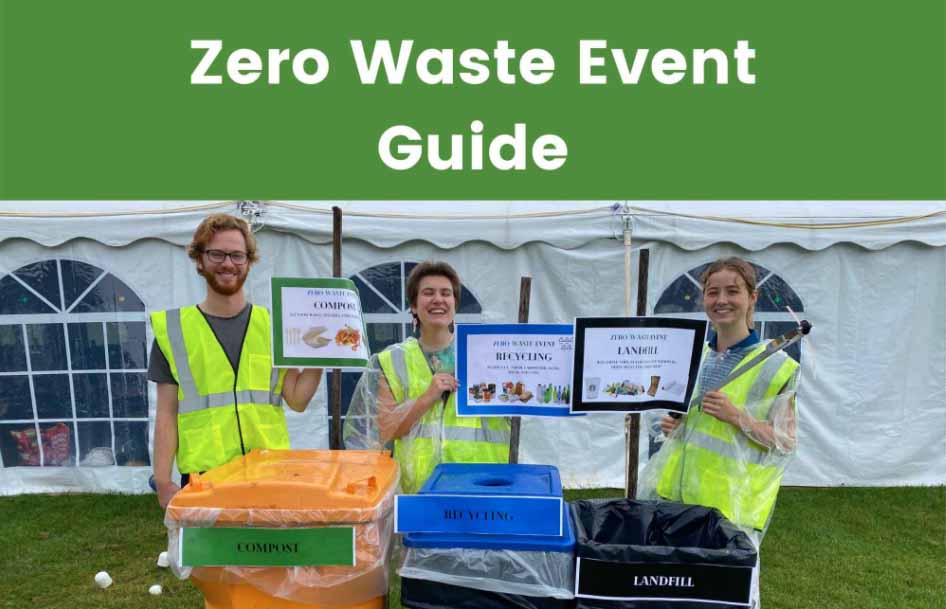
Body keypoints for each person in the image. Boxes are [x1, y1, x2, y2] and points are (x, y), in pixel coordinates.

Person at [640, 256, 801, 608]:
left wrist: (738, 417)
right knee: (677, 598)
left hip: (732, 511)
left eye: (733, 291)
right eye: (713, 292)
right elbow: (695, 428)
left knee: (728, 599)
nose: (721, 300)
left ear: (752, 298)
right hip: (676, 502)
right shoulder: (693, 357)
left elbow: (786, 443)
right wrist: (676, 428)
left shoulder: (776, 366)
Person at [148, 213, 322, 508]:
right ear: (199, 260)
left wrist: (322, 355)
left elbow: (297, 399)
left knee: (268, 554)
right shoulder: (174, 330)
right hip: (205, 477)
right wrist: (163, 480)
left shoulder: (274, 326)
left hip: (269, 473)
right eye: (216, 254)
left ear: (248, 262)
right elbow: (166, 413)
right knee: (214, 556)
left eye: (237, 255)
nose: (228, 264)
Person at [343, 261, 509, 493]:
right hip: (420, 489)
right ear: (413, 305)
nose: (438, 300)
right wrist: (427, 397)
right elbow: (385, 430)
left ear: (455, 304)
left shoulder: (486, 354)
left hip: (483, 484)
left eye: (446, 293)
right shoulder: (390, 361)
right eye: (428, 293)